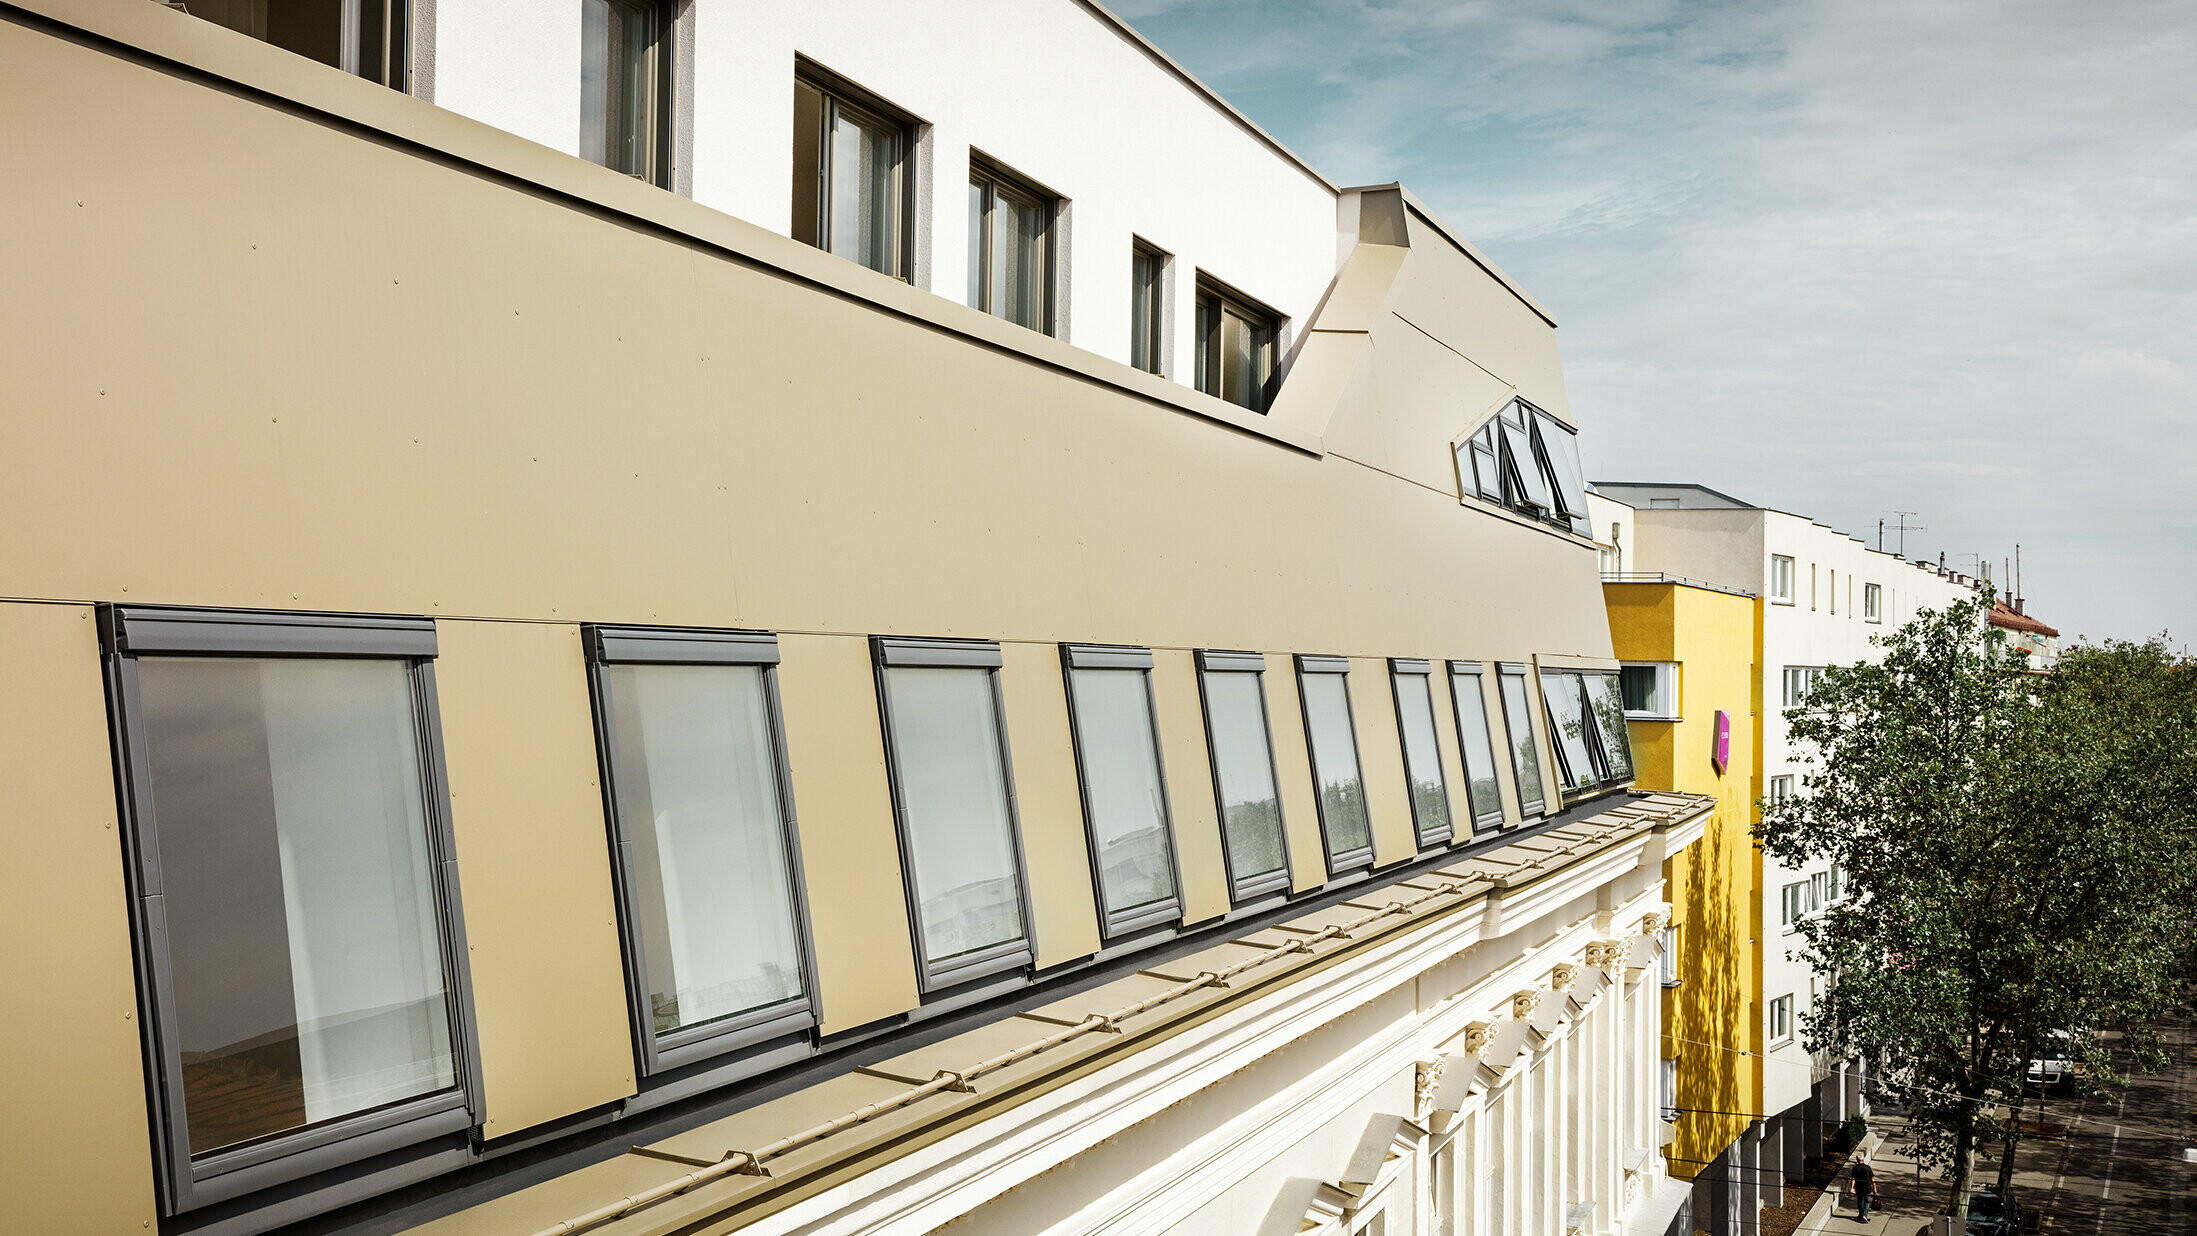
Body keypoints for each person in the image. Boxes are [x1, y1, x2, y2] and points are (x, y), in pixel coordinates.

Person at [1851, 1148, 1877, 1221]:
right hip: (1867, 1187)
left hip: (1859, 1187)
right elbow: (1872, 1179)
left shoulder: (1855, 1168)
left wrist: (1852, 1188)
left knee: (1860, 1202)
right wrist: (1874, 1188)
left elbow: (1853, 1178)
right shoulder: (1868, 1168)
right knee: (1866, 1202)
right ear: (1863, 1159)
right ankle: (1864, 1215)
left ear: (1857, 1159)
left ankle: (1861, 1215)